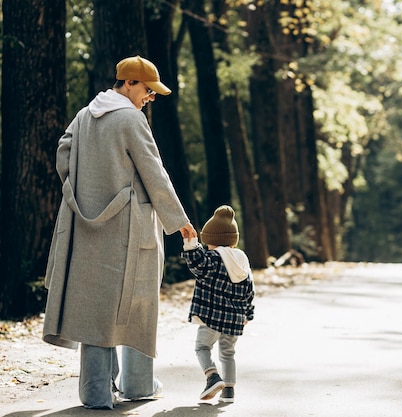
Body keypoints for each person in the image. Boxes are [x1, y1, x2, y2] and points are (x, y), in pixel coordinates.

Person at [42, 55, 197, 410]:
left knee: (96, 308)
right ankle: (139, 385)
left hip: (88, 228)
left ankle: (96, 392)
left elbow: (62, 152)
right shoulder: (130, 118)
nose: (150, 97)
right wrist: (179, 220)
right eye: (147, 90)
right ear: (128, 83)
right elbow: (153, 172)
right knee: (136, 306)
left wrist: (81, 187)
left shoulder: (84, 115)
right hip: (130, 227)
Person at [181, 205, 255, 403]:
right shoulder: (242, 260)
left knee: (202, 347)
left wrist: (191, 242)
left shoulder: (212, 259)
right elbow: (250, 289)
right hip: (235, 318)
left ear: (211, 239)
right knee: (228, 353)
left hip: (211, 316)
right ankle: (229, 391)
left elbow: (196, 262)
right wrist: (248, 314)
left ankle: (212, 376)